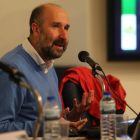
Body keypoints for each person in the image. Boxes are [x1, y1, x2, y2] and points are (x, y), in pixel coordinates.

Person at [0, 3, 94, 137]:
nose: (64, 35)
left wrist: (70, 119)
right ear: (36, 29)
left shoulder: (47, 65)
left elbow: (52, 125)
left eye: (66, 28)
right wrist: (48, 126)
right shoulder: (12, 69)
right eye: (56, 26)